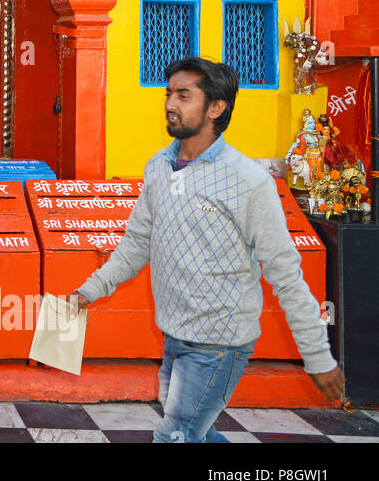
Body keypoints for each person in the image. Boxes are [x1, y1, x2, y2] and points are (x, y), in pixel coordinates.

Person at [68, 57, 344, 443]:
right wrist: (89, 291)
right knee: (194, 433)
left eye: (184, 95)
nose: (170, 104)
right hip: (174, 336)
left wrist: (317, 356)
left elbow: (285, 272)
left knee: (175, 435)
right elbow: (137, 243)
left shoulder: (248, 181)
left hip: (220, 342)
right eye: (169, 94)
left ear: (216, 107)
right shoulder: (159, 167)